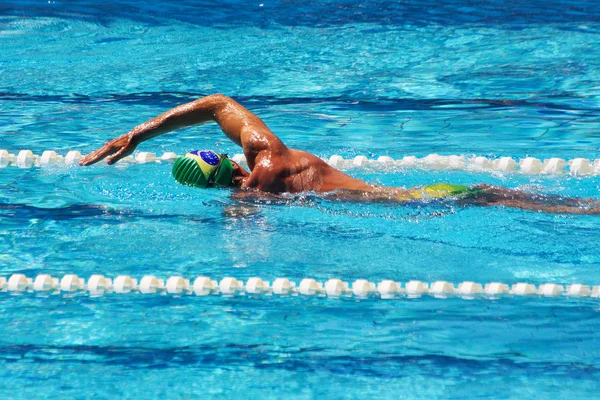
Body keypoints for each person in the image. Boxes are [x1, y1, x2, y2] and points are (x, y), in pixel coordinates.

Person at [80, 94, 599, 215]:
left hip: (404, 204)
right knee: (488, 194)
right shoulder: (268, 159)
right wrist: (141, 132)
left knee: (490, 197)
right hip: (416, 198)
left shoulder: (252, 196)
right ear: (228, 162)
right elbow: (218, 103)